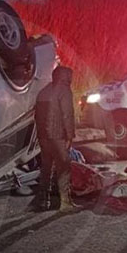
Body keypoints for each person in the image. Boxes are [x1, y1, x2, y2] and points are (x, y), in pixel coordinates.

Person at [34, 66, 78, 211]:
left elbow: (37, 116)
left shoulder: (43, 91)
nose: (71, 78)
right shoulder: (64, 91)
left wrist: (40, 134)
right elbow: (67, 114)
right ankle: (65, 202)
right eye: (69, 75)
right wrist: (70, 135)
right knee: (63, 166)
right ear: (65, 76)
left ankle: (43, 200)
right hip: (58, 135)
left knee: (46, 167)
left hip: (43, 136)